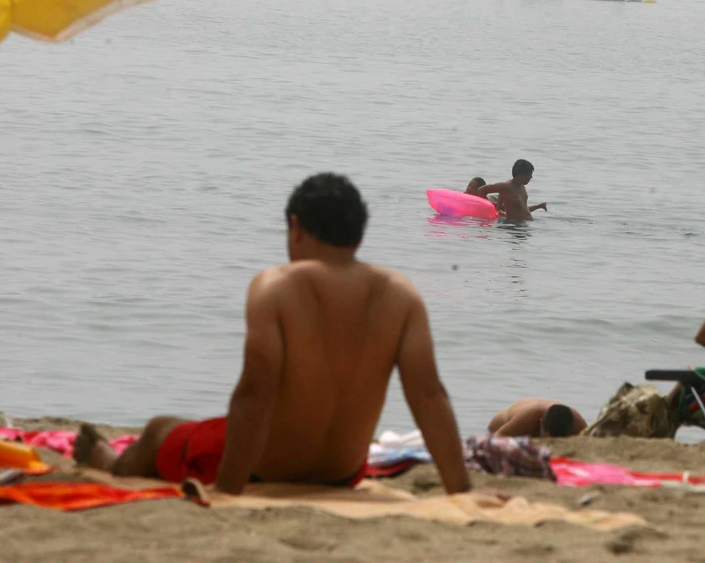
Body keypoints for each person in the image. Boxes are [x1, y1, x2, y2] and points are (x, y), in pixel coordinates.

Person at [74, 173, 472, 496]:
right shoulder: (400, 294)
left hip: (260, 472)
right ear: (359, 235)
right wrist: (461, 491)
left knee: (162, 429)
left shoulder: (277, 287)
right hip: (343, 474)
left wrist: (227, 493)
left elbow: (255, 393)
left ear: (296, 228)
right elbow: (428, 395)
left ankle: (105, 461)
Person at [472, 159, 546, 222]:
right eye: (528, 174)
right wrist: (491, 207)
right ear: (520, 175)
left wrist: (538, 206)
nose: (531, 177)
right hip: (513, 226)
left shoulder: (521, 186)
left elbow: (522, 208)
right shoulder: (507, 186)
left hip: (524, 225)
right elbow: (481, 190)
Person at [488, 399, 587, 437]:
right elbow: (495, 438)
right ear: (541, 423)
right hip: (498, 428)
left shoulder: (576, 421)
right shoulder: (528, 418)